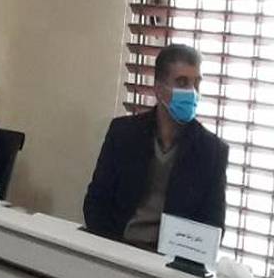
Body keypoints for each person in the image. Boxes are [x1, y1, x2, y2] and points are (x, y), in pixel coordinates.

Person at [84, 44, 228, 248]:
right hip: (117, 245)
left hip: (170, 258)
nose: (192, 92)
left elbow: (213, 226)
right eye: (182, 82)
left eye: (196, 83)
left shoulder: (212, 151)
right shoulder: (123, 133)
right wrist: (111, 249)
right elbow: (96, 203)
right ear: (159, 89)